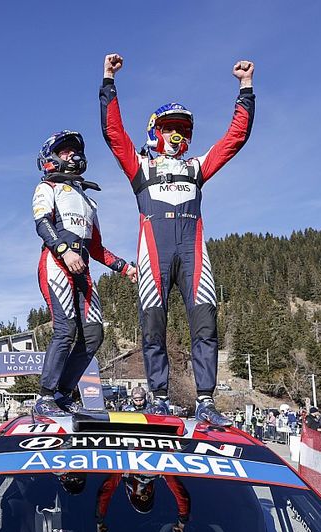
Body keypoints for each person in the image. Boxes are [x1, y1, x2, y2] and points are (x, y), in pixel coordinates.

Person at [99, 53, 254, 425]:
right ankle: (158, 397)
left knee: (205, 323)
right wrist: (108, 81)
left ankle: (205, 401)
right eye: (169, 128)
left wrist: (245, 87)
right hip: (154, 252)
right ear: (155, 130)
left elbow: (235, 138)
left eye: (182, 130)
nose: (176, 135)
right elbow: (112, 133)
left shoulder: (197, 166)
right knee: (153, 325)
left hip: (193, 249)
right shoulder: (141, 165)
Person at [32, 129, 137, 417]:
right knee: (65, 331)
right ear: (50, 158)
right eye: (64, 151)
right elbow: (42, 223)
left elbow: (97, 247)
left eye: (74, 150)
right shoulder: (47, 188)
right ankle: (44, 397)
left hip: (84, 270)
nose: (72, 155)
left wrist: (125, 267)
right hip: (56, 262)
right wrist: (64, 250)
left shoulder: (88, 201)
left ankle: (63, 394)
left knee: (93, 335)